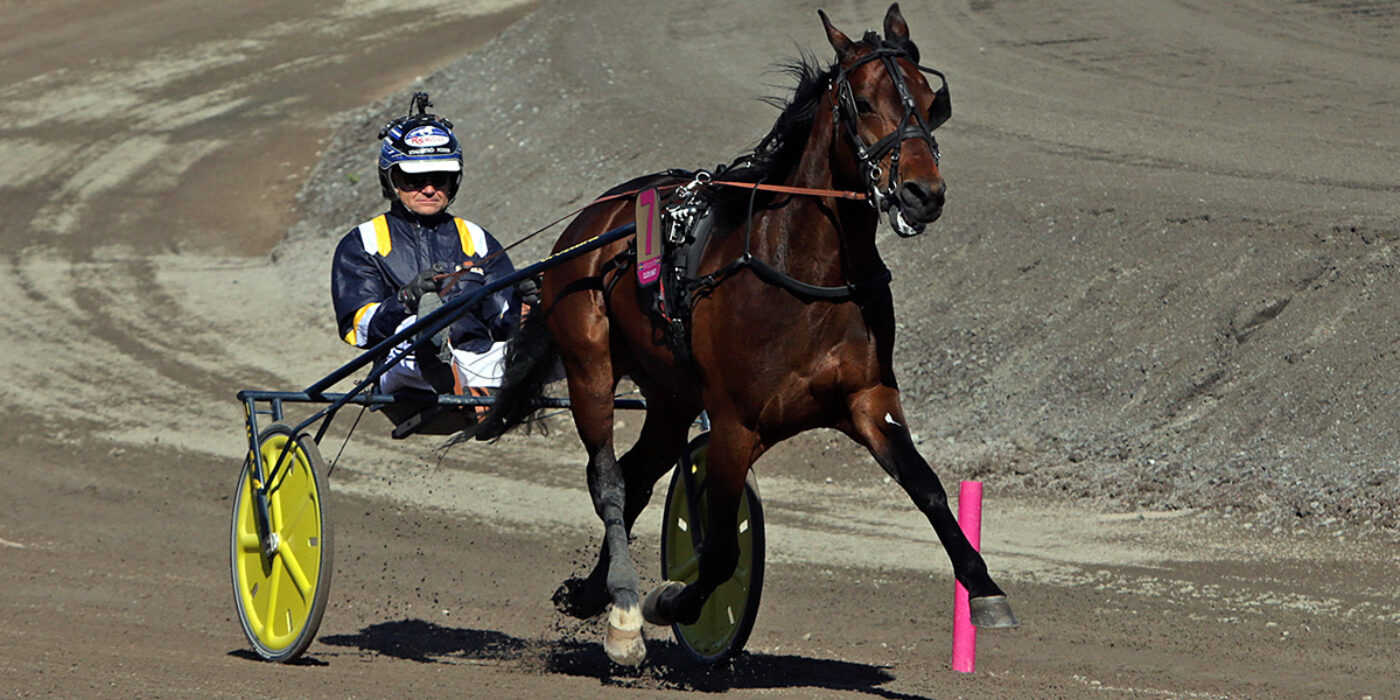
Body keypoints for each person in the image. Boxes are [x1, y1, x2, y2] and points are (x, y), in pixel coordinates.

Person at [331, 92, 525, 399]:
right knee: (415, 328)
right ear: (392, 180)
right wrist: (406, 298)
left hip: (475, 361)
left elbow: (503, 323)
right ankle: (431, 351)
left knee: (557, 338)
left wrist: (527, 303)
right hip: (401, 366)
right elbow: (359, 329)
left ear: (454, 181)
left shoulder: (475, 237)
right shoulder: (364, 241)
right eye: (415, 179)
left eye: (440, 178)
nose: (430, 188)